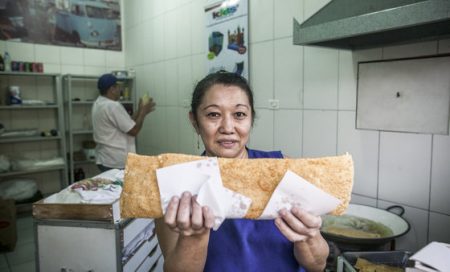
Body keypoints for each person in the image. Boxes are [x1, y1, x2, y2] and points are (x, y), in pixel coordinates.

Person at [155, 72, 329, 271]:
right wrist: (194, 237)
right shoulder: (176, 185)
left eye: (239, 115)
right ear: (194, 121)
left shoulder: (283, 171)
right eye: (213, 114)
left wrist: (308, 235)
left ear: (251, 118)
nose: (228, 127)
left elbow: (317, 266)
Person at [92, 73, 155, 171]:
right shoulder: (112, 106)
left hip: (105, 158)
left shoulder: (99, 103)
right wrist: (143, 113)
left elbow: (127, 123)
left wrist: (139, 110)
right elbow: (134, 131)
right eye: (118, 88)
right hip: (115, 162)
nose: (120, 90)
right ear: (112, 89)